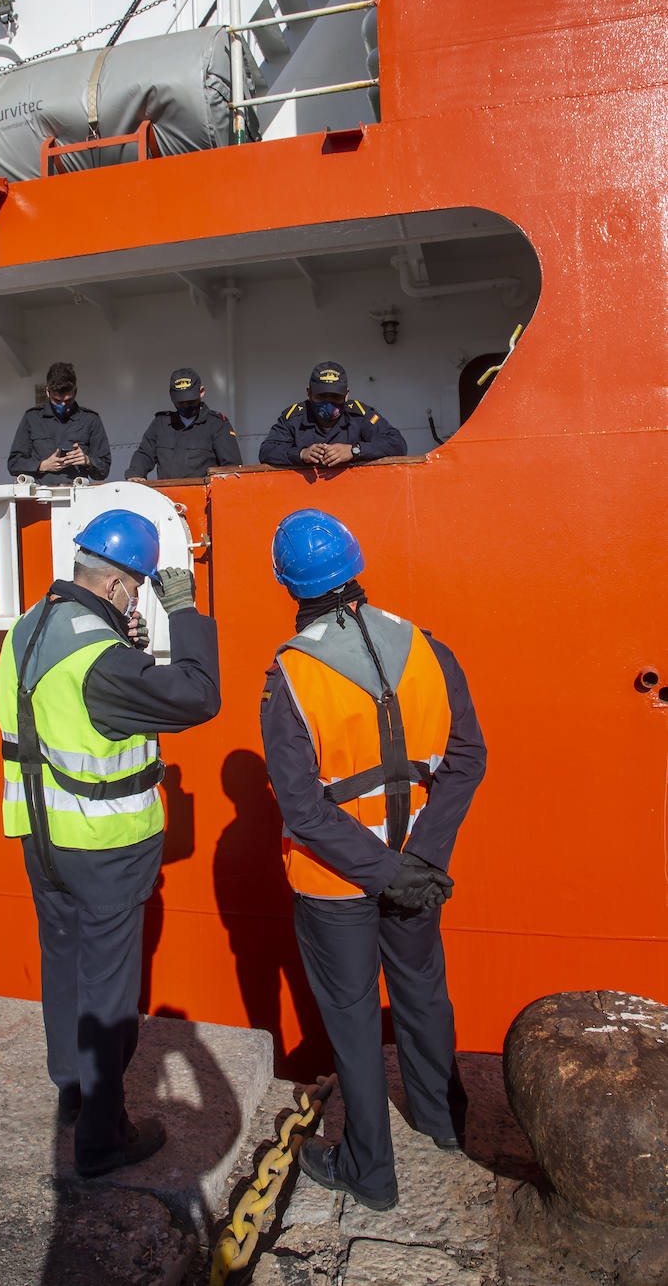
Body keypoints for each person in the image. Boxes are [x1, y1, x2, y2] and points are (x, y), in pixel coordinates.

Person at [259, 509, 486, 1210]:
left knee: (353, 1020)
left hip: (334, 885)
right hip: (417, 868)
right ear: (355, 565)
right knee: (422, 992)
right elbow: (468, 758)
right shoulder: (428, 647)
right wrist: (422, 860)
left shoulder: (290, 673)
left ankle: (370, 1172)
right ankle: (444, 1123)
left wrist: (389, 873)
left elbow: (303, 809)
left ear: (289, 583)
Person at [0, 510, 220, 1178]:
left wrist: (127, 644)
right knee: (108, 989)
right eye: (140, 587)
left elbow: (62, 705)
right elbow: (198, 697)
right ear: (119, 586)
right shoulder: (101, 657)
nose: (139, 597)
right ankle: (102, 1136)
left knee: (62, 963)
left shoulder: (29, 626)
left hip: (41, 837)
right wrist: (184, 612)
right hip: (103, 845)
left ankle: (72, 1089)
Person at [258, 361, 407, 468]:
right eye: (321, 396)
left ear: (346, 394)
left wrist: (353, 450)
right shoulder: (294, 418)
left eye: (335, 397)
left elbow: (397, 444)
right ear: (309, 393)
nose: (328, 403)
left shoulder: (360, 415)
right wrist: (301, 454)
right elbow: (267, 451)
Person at [125, 369, 242, 482]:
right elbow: (144, 454)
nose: (186, 405)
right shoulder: (161, 424)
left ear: (201, 392)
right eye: (180, 402)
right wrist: (136, 474)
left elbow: (231, 468)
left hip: (204, 493)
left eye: (191, 401)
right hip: (167, 494)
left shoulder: (217, 424)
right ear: (171, 395)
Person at [8, 361, 111, 484]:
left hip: (78, 492)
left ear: (75, 391)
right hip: (40, 493)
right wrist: (42, 465)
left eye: (68, 401)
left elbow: (104, 470)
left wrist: (87, 461)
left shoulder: (90, 420)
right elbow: (14, 464)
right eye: (57, 401)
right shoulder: (32, 418)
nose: (63, 405)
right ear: (47, 392)